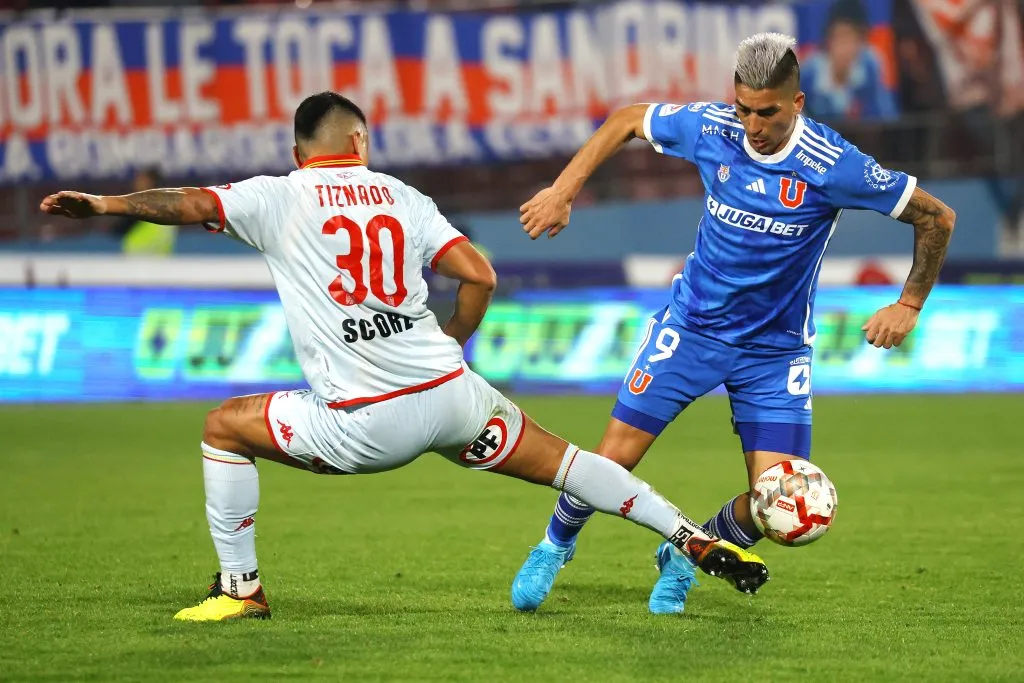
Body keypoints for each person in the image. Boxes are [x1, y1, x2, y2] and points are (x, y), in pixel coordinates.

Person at [39, 92, 768, 622]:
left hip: (364, 424)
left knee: (223, 427)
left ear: (298, 154)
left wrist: (105, 206)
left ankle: (241, 589)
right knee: (570, 462)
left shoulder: (278, 195)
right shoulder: (402, 196)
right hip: (452, 395)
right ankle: (688, 534)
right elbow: (479, 275)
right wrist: (453, 340)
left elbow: (191, 203)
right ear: (360, 141)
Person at [512, 32, 955, 614]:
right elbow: (626, 119)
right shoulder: (712, 128)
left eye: (766, 112)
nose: (751, 125)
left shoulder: (835, 165)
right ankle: (554, 546)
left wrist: (910, 303)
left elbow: (936, 217)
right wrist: (563, 190)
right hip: (691, 330)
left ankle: (684, 556)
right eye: (743, 108)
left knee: (778, 502)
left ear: (797, 103)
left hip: (775, 353)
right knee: (612, 459)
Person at [801, 0, 897, 121]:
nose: (844, 48)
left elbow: (887, 117)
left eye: (851, 38)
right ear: (828, 40)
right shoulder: (809, 72)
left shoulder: (871, 64)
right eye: (839, 38)